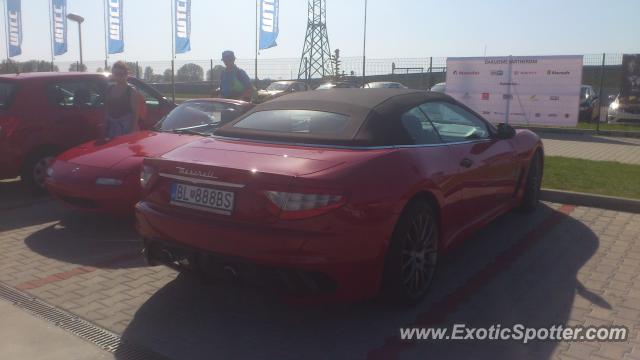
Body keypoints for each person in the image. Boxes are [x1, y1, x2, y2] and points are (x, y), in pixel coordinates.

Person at [105, 61, 142, 138]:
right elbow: (106, 109)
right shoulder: (109, 89)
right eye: (116, 74)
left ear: (126, 75)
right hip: (112, 128)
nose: (118, 77)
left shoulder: (131, 91)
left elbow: (135, 114)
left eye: (121, 74)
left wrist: (131, 133)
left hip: (126, 128)